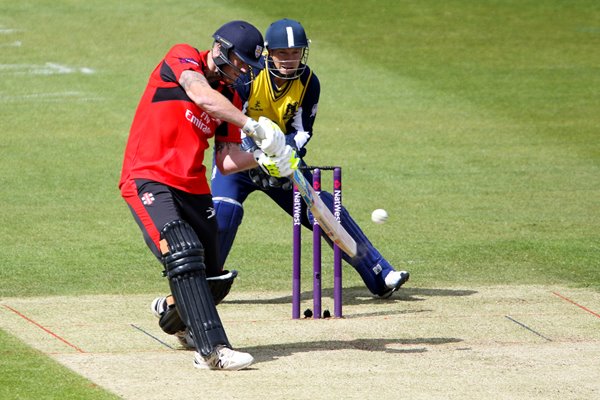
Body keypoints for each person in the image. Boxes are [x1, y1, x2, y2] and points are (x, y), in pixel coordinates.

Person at [119, 20, 298, 371]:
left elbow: (227, 159)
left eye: (249, 67)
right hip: (148, 177)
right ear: (220, 49)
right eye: (241, 63)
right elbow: (201, 96)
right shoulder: (183, 58)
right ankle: (213, 350)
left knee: (214, 279)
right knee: (185, 250)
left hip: (193, 185)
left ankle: (175, 315)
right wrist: (253, 126)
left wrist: (268, 156)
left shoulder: (231, 96)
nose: (243, 72)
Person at [211, 19, 410, 299]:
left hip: (281, 160)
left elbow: (303, 130)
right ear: (269, 53)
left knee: (323, 208)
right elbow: (232, 123)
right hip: (240, 158)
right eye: (282, 53)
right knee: (225, 211)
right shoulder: (248, 76)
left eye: (295, 53)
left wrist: (286, 155)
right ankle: (205, 285)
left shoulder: (308, 82)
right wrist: (255, 155)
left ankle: (379, 274)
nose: (289, 60)